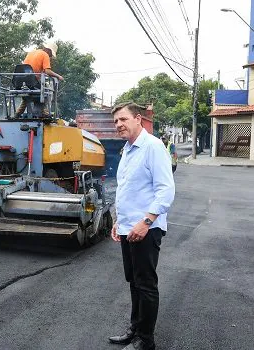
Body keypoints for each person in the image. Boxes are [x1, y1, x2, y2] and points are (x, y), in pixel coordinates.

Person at [109, 102, 175, 350]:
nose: (119, 125)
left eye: (123, 119)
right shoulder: (128, 149)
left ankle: (146, 341)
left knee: (146, 284)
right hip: (129, 228)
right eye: (116, 121)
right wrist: (118, 221)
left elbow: (165, 190)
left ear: (138, 119)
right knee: (134, 282)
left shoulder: (153, 147)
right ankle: (135, 330)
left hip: (147, 228)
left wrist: (146, 222)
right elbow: (127, 189)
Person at [14, 42, 64, 118]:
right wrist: (58, 76)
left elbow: (28, 68)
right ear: (49, 51)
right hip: (31, 82)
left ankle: (18, 113)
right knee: (45, 93)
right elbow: (47, 71)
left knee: (26, 96)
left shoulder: (31, 52)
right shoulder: (45, 55)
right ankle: (44, 113)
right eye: (51, 55)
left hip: (19, 81)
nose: (50, 57)